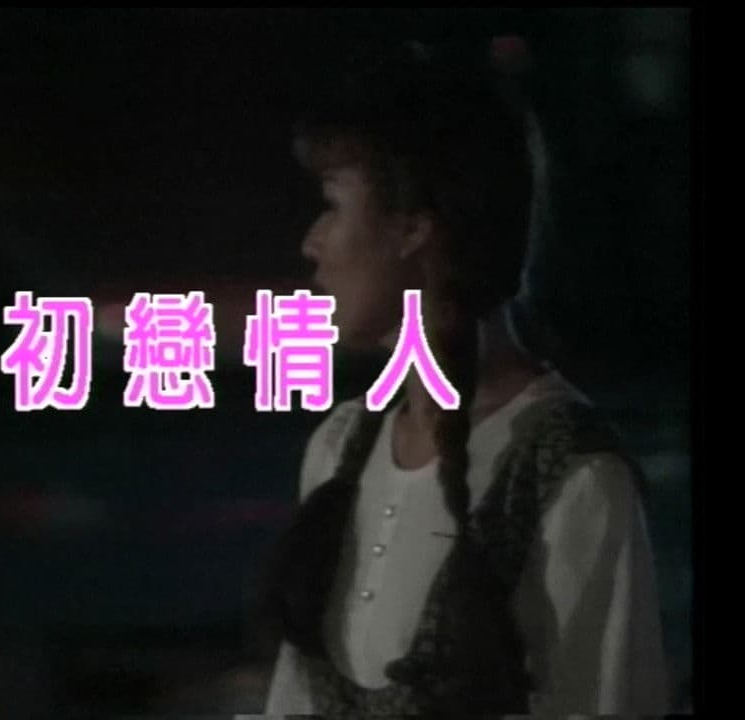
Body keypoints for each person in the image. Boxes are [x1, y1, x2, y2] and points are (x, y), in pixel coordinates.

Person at [254, 38, 669, 717]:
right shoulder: (340, 448)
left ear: (415, 227)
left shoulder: (570, 476)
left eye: (333, 203)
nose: (312, 241)